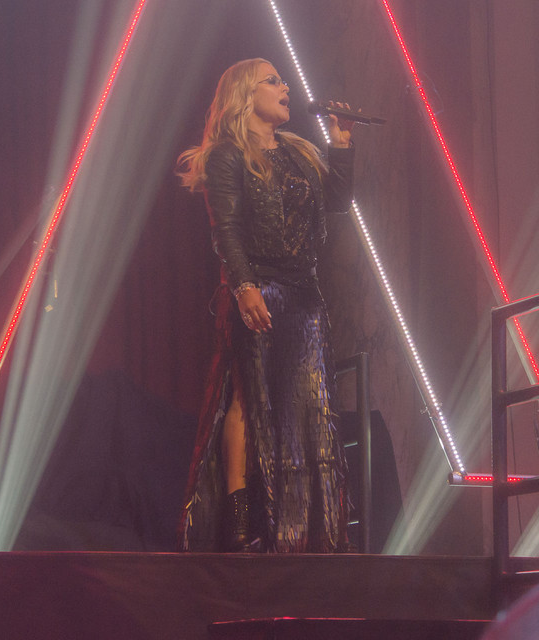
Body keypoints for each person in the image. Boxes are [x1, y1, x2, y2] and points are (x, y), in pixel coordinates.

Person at [175, 58, 356, 553]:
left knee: (310, 404)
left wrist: (341, 142)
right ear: (244, 95)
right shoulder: (227, 156)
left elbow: (338, 201)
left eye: (283, 79)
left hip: (305, 293)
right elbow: (227, 230)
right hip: (257, 287)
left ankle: (304, 525)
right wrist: (243, 285)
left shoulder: (298, 151)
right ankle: (239, 519)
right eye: (272, 81)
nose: (285, 86)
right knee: (249, 398)